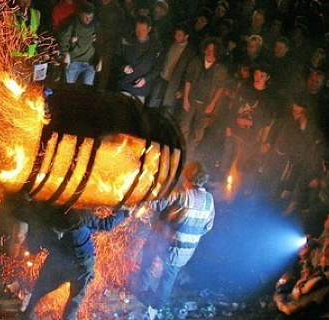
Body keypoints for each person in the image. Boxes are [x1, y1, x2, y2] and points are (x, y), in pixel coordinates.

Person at [134, 161, 215, 308]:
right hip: (185, 252)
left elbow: (157, 204)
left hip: (165, 244)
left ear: (188, 177)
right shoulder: (209, 200)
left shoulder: (181, 195)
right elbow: (208, 227)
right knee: (168, 277)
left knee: (148, 254)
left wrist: (142, 198)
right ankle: (158, 305)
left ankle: (140, 290)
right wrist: (191, 235)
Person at [22, 207, 128, 320]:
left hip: (60, 262)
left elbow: (37, 246)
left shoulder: (53, 218)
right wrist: (123, 213)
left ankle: (26, 314)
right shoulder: (82, 216)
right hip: (81, 265)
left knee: (41, 287)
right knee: (75, 299)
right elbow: (107, 225)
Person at [179, 37, 227, 155]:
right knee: (183, 127)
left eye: (212, 50)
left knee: (198, 132)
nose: (210, 52)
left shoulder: (220, 69)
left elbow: (220, 88)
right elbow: (188, 80)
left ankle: (188, 154)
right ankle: (178, 150)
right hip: (191, 100)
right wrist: (185, 99)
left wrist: (212, 104)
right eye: (208, 49)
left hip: (206, 104)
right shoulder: (196, 62)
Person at [148, 24, 196, 115]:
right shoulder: (170, 44)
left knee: (167, 111)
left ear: (186, 36)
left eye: (179, 35)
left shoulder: (190, 52)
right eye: (175, 34)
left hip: (174, 85)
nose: (176, 37)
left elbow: (190, 73)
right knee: (153, 104)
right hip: (162, 79)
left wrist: (182, 89)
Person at [115, 16, 161, 103]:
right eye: (137, 29)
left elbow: (157, 68)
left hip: (141, 90)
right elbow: (116, 57)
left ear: (149, 29)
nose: (140, 32)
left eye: (143, 29)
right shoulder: (127, 39)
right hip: (124, 85)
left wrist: (145, 79)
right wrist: (123, 66)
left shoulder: (156, 45)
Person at [58, 3, 99, 86]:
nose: (88, 20)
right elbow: (63, 40)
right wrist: (65, 53)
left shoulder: (95, 25)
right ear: (80, 14)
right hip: (74, 62)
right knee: (68, 89)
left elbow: (103, 41)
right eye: (85, 17)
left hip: (89, 63)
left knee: (87, 91)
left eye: (90, 17)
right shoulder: (72, 24)